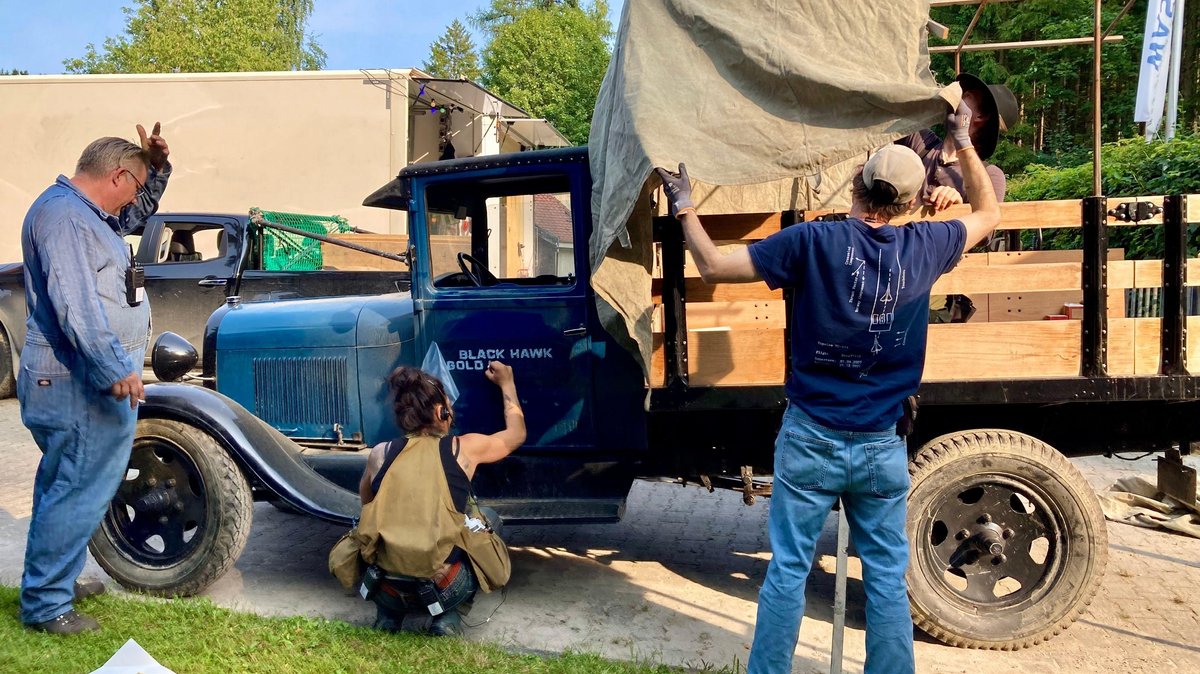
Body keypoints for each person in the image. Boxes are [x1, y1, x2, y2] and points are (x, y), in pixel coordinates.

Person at [654, 98, 999, 674]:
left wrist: (685, 205)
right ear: (912, 201)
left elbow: (712, 266)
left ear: (857, 185)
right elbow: (989, 213)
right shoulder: (927, 245)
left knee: (788, 570)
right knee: (886, 578)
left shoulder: (811, 242)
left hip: (811, 436)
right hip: (881, 443)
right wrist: (961, 138)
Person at [18, 124, 172, 634]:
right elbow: (75, 305)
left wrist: (157, 168)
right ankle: (47, 604)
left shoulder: (85, 213)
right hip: (78, 380)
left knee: (65, 482)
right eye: (137, 184)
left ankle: (54, 579)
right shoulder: (65, 218)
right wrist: (113, 369)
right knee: (78, 486)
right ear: (118, 176)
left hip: (77, 375)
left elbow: (134, 213)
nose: (135, 199)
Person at [351, 361, 525, 636]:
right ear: (440, 411)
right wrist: (507, 383)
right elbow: (516, 435)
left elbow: (367, 507)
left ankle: (388, 616)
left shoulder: (380, 453)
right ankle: (447, 618)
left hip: (384, 587)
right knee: (488, 519)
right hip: (443, 586)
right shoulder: (463, 449)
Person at [897, 73, 1018, 322]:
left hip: (937, 290)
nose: (957, 98)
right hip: (894, 271)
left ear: (980, 117)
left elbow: (984, 234)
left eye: (966, 97)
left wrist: (958, 207)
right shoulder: (921, 143)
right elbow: (895, 111)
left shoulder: (989, 175)